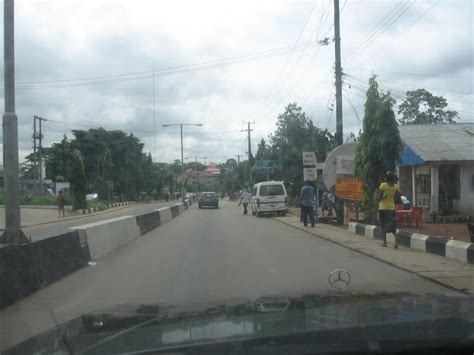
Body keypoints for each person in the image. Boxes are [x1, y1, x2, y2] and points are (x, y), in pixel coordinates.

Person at [378, 171, 400, 249]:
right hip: (392, 208)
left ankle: (384, 242)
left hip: (383, 208)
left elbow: (379, 197)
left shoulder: (383, 185)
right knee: (392, 224)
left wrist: (382, 197)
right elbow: (397, 198)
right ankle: (396, 237)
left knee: (383, 224)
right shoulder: (396, 187)